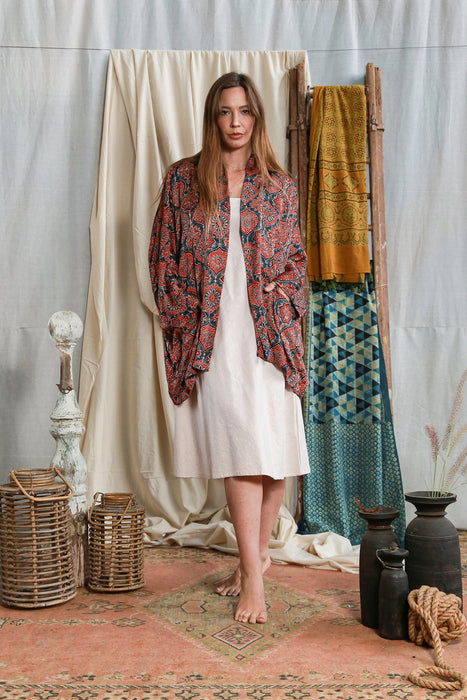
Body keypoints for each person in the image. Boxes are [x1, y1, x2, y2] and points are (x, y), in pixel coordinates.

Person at [148, 72, 309, 624]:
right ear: (213, 118)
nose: (235, 122)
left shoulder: (280, 187)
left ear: (256, 117)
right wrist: (181, 319)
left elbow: (296, 262)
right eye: (225, 112)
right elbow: (161, 257)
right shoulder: (183, 180)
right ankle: (254, 581)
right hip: (213, 334)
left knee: (273, 447)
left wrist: (281, 298)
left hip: (269, 333)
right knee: (240, 444)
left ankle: (254, 561)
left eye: (244, 111)